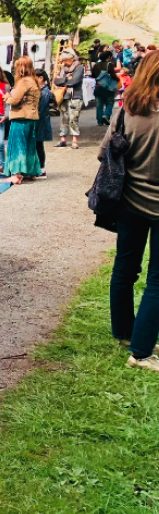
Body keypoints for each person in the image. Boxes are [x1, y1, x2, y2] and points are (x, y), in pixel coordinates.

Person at [105, 51, 159, 373]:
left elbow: (105, 153)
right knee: (157, 280)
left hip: (128, 201)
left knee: (125, 268)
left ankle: (126, 333)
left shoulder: (127, 109)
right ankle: (140, 352)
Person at [2, 57, 42, 184]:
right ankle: (31, 172)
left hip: (20, 118)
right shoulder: (34, 81)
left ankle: (16, 173)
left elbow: (15, 100)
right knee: (30, 146)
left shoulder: (24, 82)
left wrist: (7, 97)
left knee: (17, 145)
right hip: (32, 117)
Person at [54, 48, 85, 149]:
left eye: (66, 60)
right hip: (64, 96)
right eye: (63, 60)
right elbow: (55, 81)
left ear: (72, 58)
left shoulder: (79, 67)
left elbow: (75, 81)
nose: (64, 62)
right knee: (64, 118)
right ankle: (63, 138)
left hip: (75, 96)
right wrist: (67, 79)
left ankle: (75, 140)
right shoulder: (62, 68)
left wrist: (62, 81)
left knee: (73, 118)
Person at [36, 70, 54, 178]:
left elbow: (41, 110)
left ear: (40, 78)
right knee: (38, 145)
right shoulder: (44, 91)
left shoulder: (44, 92)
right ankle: (39, 168)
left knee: (38, 146)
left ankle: (41, 169)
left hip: (40, 122)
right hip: (40, 122)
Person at [94, 51, 119, 126]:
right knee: (110, 103)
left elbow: (93, 75)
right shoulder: (109, 64)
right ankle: (106, 115)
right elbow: (113, 75)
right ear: (109, 57)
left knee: (99, 104)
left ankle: (100, 121)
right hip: (108, 87)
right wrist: (118, 80)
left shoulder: (96, 65)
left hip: (98, 87)